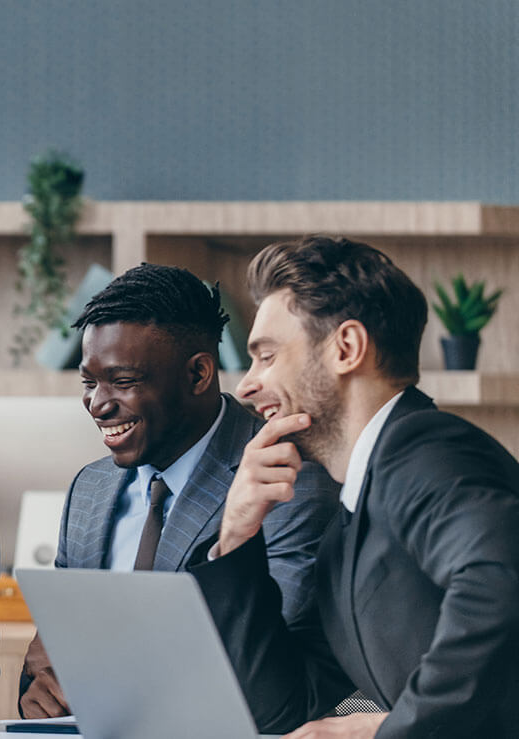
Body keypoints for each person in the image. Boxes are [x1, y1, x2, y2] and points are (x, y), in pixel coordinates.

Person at [192, 236, 519, 737]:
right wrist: (237, 534)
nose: (245, 385)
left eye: (267, 356)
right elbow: (282, 708)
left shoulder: (425, 447)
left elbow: (501, 584)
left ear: (346, 348)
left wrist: (391, 731)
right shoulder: (345, 530)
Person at [19, 264, 339, 719]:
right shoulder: (89, 489)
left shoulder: (286, 479)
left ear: (198, 374)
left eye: (122, 381)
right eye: (89, 383)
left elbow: (272, 673)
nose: (97, 404)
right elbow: (48, 659)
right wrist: (39, 694)